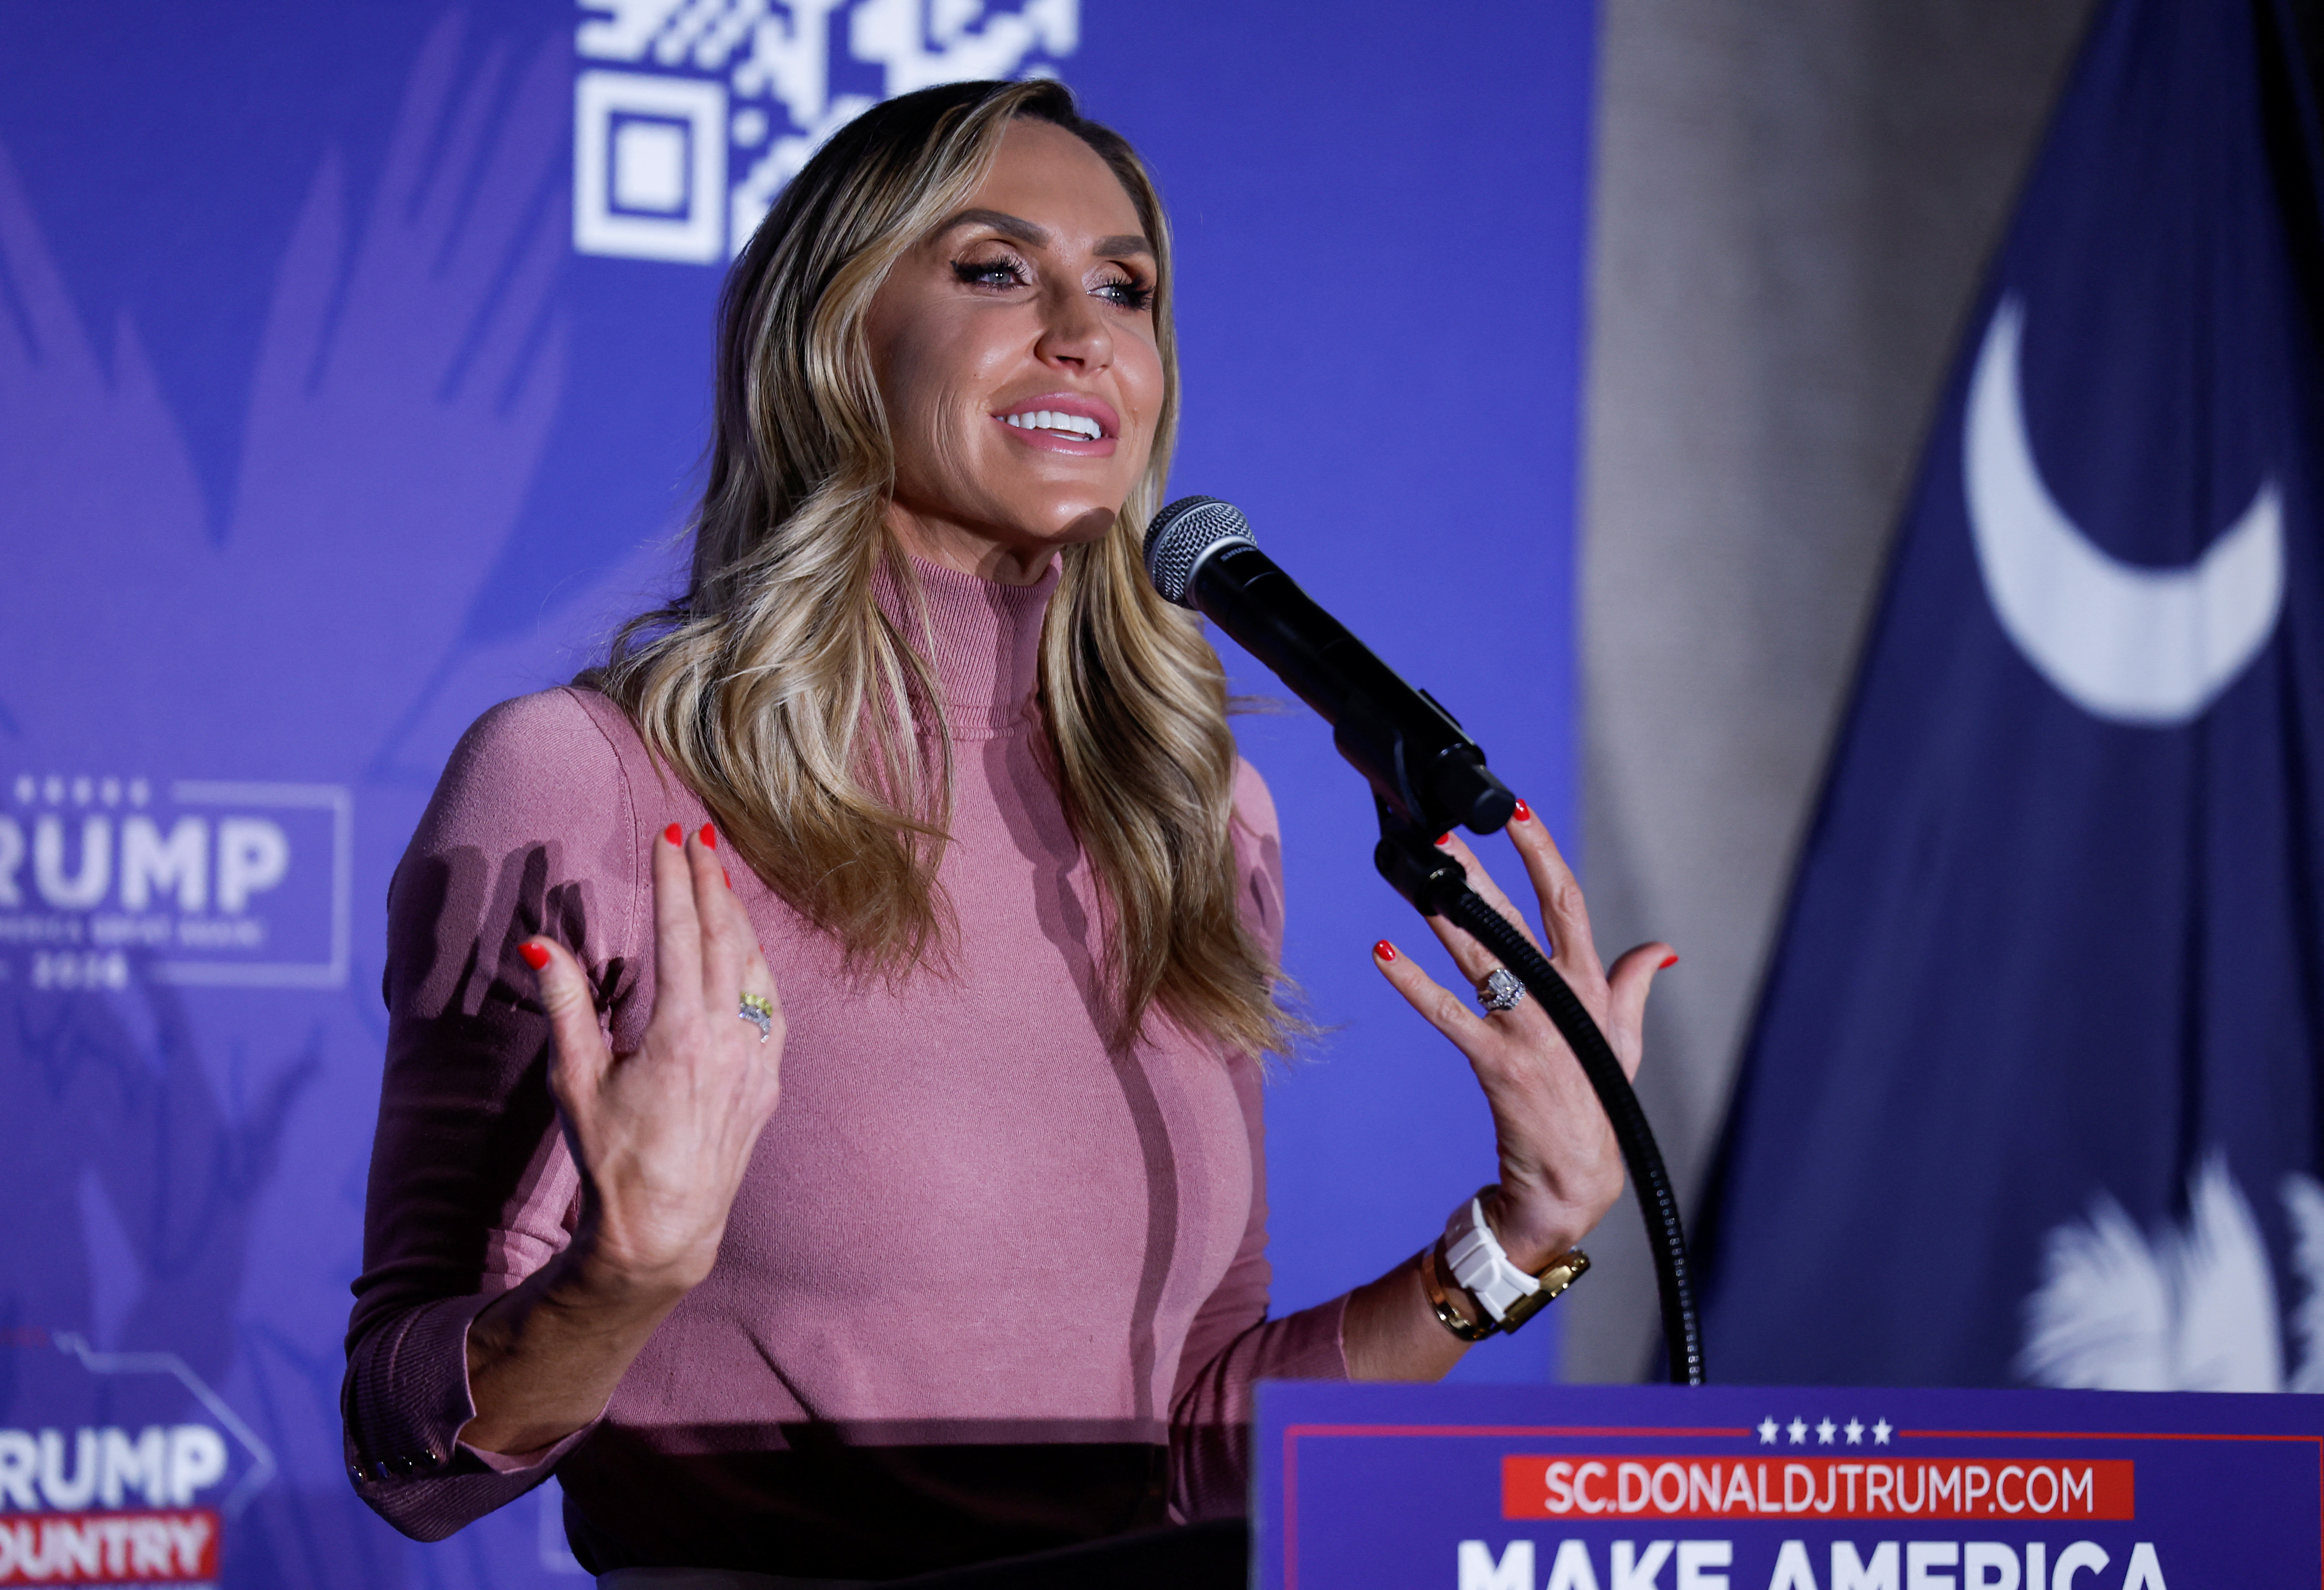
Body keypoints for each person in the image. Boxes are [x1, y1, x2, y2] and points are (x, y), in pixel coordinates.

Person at [342, 77, 1672, 1588]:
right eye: (995, 269)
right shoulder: (592, 782)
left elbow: (1194, 1447)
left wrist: (1515, 1235)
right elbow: (407, 1464)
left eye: (1127, 289)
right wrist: (619, 1287)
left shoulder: (1190, 809)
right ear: (839, 334)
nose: (1085, 330)